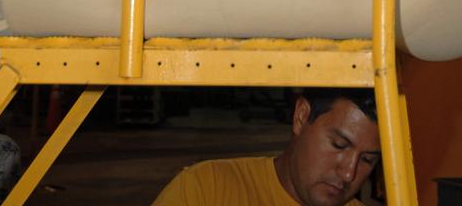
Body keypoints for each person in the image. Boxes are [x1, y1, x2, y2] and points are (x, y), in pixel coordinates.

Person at [152, 89, 381, 206]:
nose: (349, 173)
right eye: (338, 145)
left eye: (367, 160)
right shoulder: (204, 190)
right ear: (301, 116)